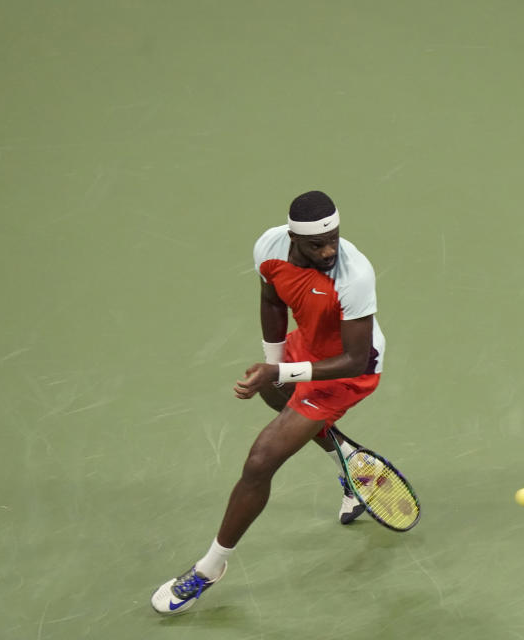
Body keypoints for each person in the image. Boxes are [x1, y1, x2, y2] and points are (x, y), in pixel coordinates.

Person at [151, 190, 386, 614]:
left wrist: (279, 374)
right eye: (318, 244)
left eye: (334, 238)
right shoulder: (269, 247)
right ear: (295, 238)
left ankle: (209, 568)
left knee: (260, 462)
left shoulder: (355, 275)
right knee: (271, 394)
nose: (330, 249)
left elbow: (354, 358)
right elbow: (271, 300)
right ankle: (348, 462)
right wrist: (273, 365)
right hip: (309, 348)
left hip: (346, 371)